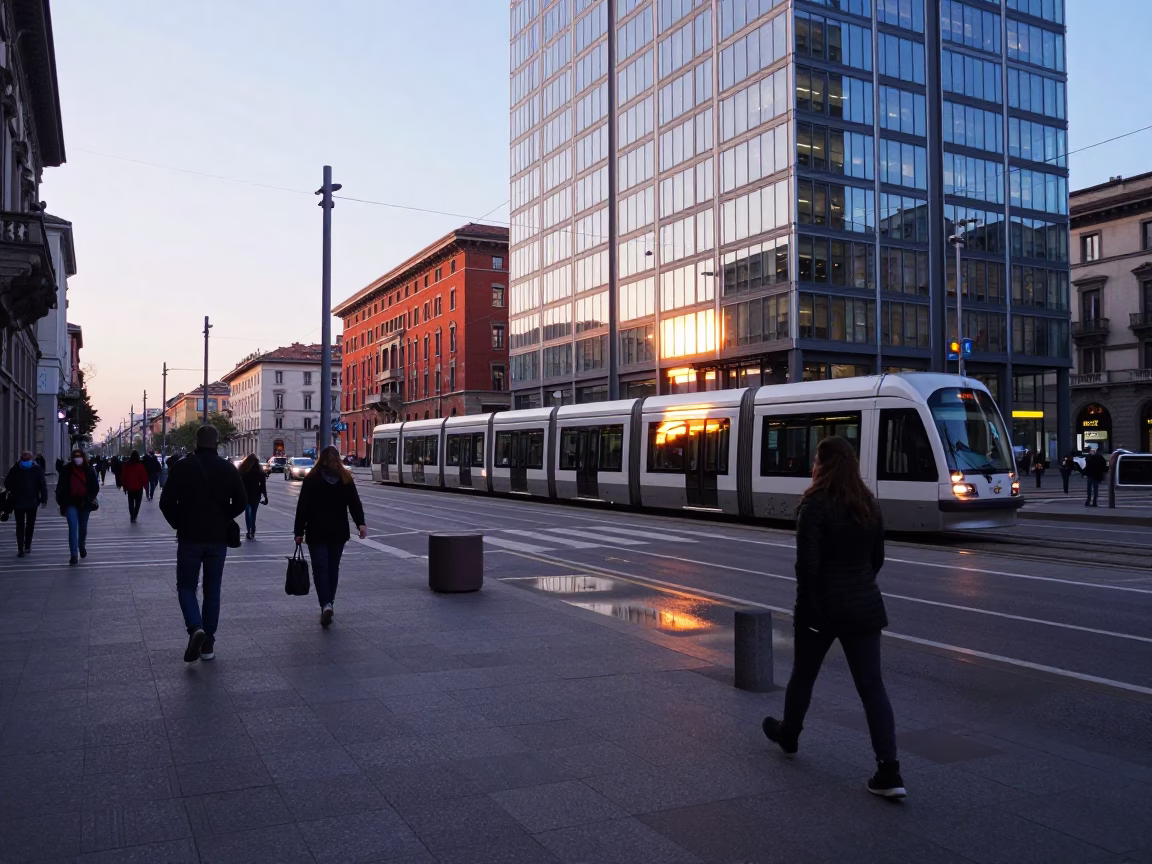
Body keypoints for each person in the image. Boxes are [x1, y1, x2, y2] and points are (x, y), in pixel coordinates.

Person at [761, 436, 905, 799]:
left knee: (804, 675)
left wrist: (806, 607)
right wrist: (857, 585)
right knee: (872, 688)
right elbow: (877, 560)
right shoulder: (868, 503)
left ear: (821, 464)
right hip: (864, 606)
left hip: (822, 607)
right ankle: (889, 771)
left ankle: (789, 735)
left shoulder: (814, 504)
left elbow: (806, 567)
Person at [159, 425, 246, 662]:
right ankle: (208, 645)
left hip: (189, 537)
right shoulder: (227, 468)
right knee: (212, 590)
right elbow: (241, 501)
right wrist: (224, 516)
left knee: (186, 587)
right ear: (216, 442)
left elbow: (165, 502)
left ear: (196, 442)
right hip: (217, 538)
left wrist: (180, 522)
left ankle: (195, 627)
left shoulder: (182, 467)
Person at [293, 445, 367, 628]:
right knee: (333, 568)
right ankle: (330, 603)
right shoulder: (345, 478)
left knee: (320, 570)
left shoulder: (311, 478)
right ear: (337, 459)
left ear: (321, 459)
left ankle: (325, 604)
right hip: (338, 531)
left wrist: (298, 532)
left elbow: (303, 506)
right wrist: (361, 524)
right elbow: (354, 503)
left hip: (316, 531)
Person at [55, 448, 99, 565]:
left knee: (83, 527)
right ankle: (73, 554)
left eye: (79, 456)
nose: (77, 458)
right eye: (75, 456)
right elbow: (60, 487)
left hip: (85, 503)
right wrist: (62, 501)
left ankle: (82, 545)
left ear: (83, 457)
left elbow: (95, 486)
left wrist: (90, 497)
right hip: (70, 503)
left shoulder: (89, 470)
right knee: (73, 527)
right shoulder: (66, 470)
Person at [4, 451, 47, 558]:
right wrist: (43, 499)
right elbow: (42, 484)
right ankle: (26, 546)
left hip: (19, 501)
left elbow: (7, 483)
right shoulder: (37, 469)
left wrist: (14, 488)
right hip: (31, 501)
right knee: (29, 525)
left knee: (20, 525)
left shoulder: (15, 468)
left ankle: (21, 548)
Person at [238, 454, 268, 539]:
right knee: (253, 513)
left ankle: (249, 530)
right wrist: (265, 496)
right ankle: (252, 529)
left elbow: (238, 482)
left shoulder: (243, 469)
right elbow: (263, 485)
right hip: (256, 494)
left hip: (245, 494)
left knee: (248, 513)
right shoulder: (259, 469)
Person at [120, 451, 149, 523]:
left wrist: (124, 486)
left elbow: (123, 476)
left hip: (130, 487)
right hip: (138, 487)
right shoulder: (140, 465)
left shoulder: (126, 465)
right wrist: (145, 486)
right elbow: (144, 476)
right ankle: (135, 515)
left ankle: (132, 516)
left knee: (130, 502)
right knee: (138, 503)